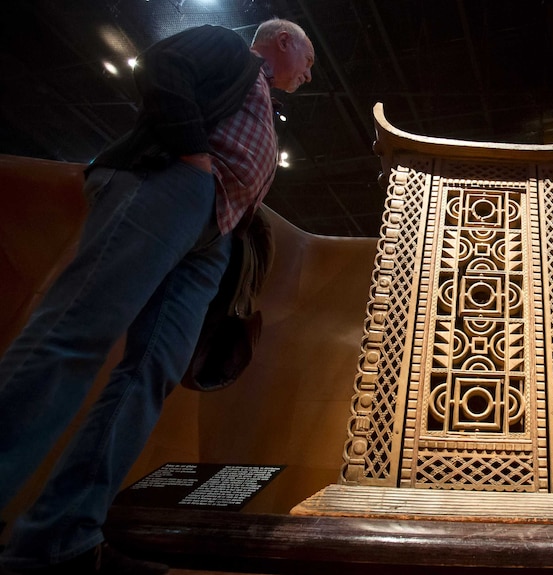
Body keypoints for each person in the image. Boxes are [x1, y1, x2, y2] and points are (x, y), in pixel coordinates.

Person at [0, 18, 314, 575]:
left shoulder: (263, 93)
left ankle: (63, 536)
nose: (309, 76)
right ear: (284, 40)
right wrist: (193, 160)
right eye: (308, 61)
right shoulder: (227, 47)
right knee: (74, 334)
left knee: (153, 370)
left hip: (210, 229)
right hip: (169, 184)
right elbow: (162, 67)